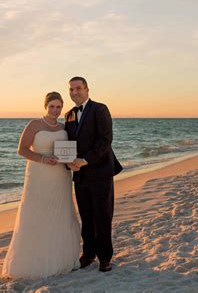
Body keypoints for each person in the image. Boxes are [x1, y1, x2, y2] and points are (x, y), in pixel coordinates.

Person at [1, 92, 81, 279]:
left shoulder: (64, 127)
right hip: (39, 175)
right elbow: (22, 150)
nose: (55, 110)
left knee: (61, 213)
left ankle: (61, 259)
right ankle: (32, 261)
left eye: (58, 107)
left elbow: (66, 153)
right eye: (52, 106)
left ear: (62, 107)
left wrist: (71, 163)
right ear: (45, 106)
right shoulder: (34, 125)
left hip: (60, 176)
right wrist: (43, 158)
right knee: (36, 213)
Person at [65, 76, 123, 272]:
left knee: (103, 216)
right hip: (80, 176)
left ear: (87, 89)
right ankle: (88, 254)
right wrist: (68, 163)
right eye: (71, 89)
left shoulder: (100, 109)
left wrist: (85, 160)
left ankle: (105, 257)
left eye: (78, 88)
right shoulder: (69, 115)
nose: (74, 92)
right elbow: (69, 144)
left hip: (100, 172)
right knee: (86, 217)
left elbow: (105, 140)